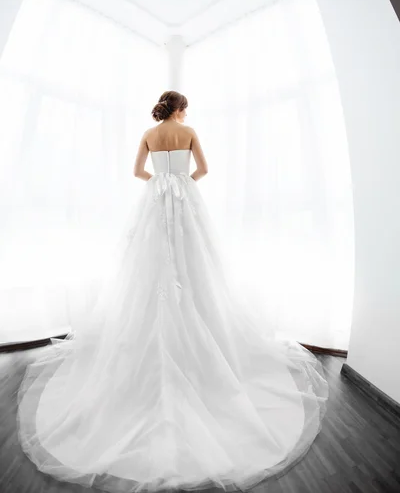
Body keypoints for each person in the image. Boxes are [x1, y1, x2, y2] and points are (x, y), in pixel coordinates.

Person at [17, 90, 329, 493]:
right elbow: (203, 169)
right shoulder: (189, 131)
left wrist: (160, 183)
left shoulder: (149, 133)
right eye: (186, 107)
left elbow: (137, 173)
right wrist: (181, 182)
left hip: (154, 200)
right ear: (180, 108)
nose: (187, 112)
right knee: (193, 259)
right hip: (186, 198)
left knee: (149, 263)